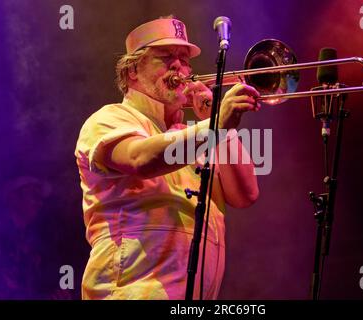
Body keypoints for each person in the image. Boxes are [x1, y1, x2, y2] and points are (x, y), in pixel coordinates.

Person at [74, 16, 260, 300]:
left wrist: (219, 122)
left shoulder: (197, 135)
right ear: (132, 71)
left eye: (185, 59)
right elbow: (140, 159)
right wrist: (214, 126)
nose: (180, 67)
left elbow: (245, 194)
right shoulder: (109, 118)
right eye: (166, 57)